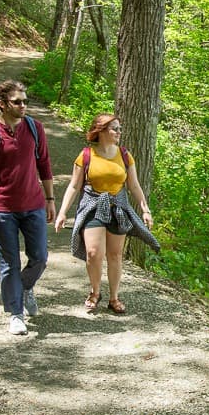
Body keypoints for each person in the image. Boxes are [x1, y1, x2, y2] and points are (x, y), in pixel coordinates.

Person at [0, 80, 56, 336]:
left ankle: (25, 288)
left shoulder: (34, 127)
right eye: (17, 102)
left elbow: (45, 165)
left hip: (34, 205)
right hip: (2, 208)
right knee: (9, 262)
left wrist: (50, 200)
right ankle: (16, 313)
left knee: (40, 257)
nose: (23, 106)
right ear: (2, 103)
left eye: (25, 101)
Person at [55, 114, 159, 314]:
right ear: (101, 131)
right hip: (93, 206)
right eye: (114, 129)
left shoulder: (125, 155)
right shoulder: (86, 155)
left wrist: (145, 209)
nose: (119, 132)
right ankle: (95, 292)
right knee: (94, 253)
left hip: (118, 208)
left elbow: (134, 185)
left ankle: (114, 297)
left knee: (115, 255)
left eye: (119, 128)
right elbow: (74, 185)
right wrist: (62, 213)